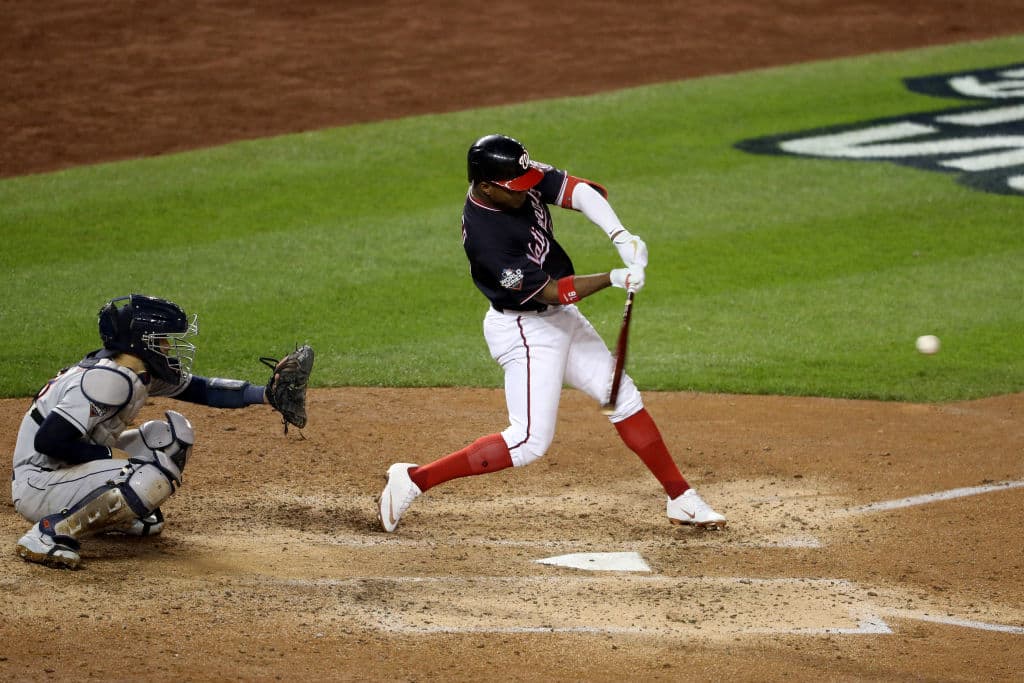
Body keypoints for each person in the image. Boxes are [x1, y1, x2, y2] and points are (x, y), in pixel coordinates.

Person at [377, 134, 726, 532]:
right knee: (528, 442)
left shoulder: (513, 177)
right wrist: (613, 277)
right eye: (516, 188)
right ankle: (414, 479)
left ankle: (681, 498)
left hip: (559, 316)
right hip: (525, 329)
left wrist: (621, 236)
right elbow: (547, 290)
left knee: (623, 396)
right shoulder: (486, 240)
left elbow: (578, 191)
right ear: (486, 187)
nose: (527, 191)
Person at [11, 294, 313, 569]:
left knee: (168, 439)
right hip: (39, 482)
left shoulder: (135, 370)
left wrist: (265, 395)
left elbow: (202, 390)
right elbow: (48, 441)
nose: (168, 346)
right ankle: (50, 533)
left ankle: (115, 513)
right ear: (140, 341)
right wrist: (108, 454)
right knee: (148, 474)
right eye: (162, 339)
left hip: (66, 469)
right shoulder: (108, 380)